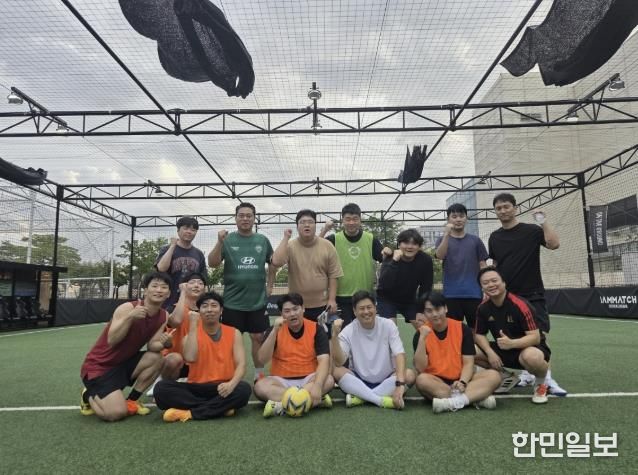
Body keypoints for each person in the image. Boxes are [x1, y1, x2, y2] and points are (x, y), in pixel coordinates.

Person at [488, 193, 566, 396]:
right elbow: (495, 265)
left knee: (539, 336)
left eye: (506, 206)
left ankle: (546, 379)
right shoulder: (494, 237)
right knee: (516, 335)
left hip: (532, 293)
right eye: (499, 208)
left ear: (515, 208)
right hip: (507, 297)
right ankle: (526, 374)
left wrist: (543, 222)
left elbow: (554, 244)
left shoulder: (532, 231)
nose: (503, 211)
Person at [207, 202, 287, 380]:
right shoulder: (227, 240)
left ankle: (258, 375)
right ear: (235, 218)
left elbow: (274, 263)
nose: (245, 218)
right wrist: (219, 242)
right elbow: (212, 263)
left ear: (254, 218)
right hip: (232, 303)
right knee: (230, 340)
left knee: (258, 337)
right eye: (241, 215)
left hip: (257, 302)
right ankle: (227, 375)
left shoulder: (262, 240)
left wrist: (270, 285)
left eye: (249, 216)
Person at [79, 272, 173, 421]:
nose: (159, 290)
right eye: (154, 286)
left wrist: (165, 342)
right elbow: (112, 340)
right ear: (145, 290)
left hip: (123, 364)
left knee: (157, 358)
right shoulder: (128, 308)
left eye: (163, 287)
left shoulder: (164, 315)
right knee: (115, 413)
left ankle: (132, 400)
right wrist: (130, 317)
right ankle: (88, 394)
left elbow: (152, 346)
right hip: (99, 367)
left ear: (168, 294)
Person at [154, 292, 251, 422]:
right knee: (161, 389)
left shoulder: (234, 332)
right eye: (205, 306)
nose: (209, 309)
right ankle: (220, 407)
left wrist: (231, 384)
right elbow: (190, 358)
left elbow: (241, 364)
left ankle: (190, 413)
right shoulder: (189, 336)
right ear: (199, 311)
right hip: (196, 387)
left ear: (221, 310)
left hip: (223, 386)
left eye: (214, 305)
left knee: (243, 390)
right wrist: (193, 325)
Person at [474, 267, 553, 404]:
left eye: (494, 280)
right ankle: (506, 377)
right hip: (504, 349)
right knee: (469, 350)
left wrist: (512, 343)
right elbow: (479, 335)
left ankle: (541, 384)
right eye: (485, 283)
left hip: (529, 349)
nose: (491, 285)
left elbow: (535, 337)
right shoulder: (483, 308)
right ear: (482, 287)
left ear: (504, 282)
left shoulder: (520, 304)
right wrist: (490, 353)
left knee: (532, 357)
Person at [413, 291, 500, 413]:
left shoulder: (462, 328)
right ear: (424, 313)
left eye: (438, 309)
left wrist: (463, 382)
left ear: (446, 308)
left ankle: (454, 401)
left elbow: (468, 363)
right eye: (429, 311)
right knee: (421, 380)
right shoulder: (421, 334)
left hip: (462, 380)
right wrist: (422, 338)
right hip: (437, 381)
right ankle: (473, 398)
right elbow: (420, 368)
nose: (435, 314)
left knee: (494, 376)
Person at [331, 290, 416, 409]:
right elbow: (339, 362)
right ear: (354, 311)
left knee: (409, 375)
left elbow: (400, 354)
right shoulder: (348, 330)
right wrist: (334, 336)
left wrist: (400, 384)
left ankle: (361, 397)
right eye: (361, 308)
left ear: (375, 308)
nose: (366, 312)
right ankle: (379, 400)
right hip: (359, 380)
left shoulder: (388, 325)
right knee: (336, 371)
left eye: (369, 307)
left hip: (387, 378)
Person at [254, 293, 334, 417]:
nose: (292, 314)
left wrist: (318, 385)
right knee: (259, 387)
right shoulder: (274, 330)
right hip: (281, 380)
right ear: (281, 314)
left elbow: (324, 360)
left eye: (295, 309)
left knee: (328, 380)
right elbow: (262, 359)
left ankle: (281, 405)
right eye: (287, 311)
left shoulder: (316, 328)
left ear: (303, 309)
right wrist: (274, 331)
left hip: (309, 378)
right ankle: (310, 401)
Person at [319, 203, 384, 326]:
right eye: (347, 219)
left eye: (355, 219)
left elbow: (384, 259)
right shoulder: (334, 239)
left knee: (365, 331)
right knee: (342, 332)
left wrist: (389, 252)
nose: (351, 222)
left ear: (360, 220)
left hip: (365, 296)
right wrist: (325, 229)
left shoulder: (370, 239)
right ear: (342, 220)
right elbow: (315, 247)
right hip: (340, 297)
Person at [278, 209, 343, 320]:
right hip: (296, 306)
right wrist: (285, 238)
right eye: (302, 222)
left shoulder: (327, 246)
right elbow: (277, 262)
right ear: (297, 226)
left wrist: (332, 300)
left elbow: (333, 275)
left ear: (315, 225)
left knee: (324, 331)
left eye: (310, 222)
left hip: (322, 305)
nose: (307, 225)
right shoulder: (290, 246)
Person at [434, 203, 488, 328]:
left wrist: (486, 288)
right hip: (450, 295)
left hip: (474, 293)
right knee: (453, 330)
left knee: (476, 330)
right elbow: (440, 256)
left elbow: (483, 265)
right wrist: (446, 235)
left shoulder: (475, 240)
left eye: (461, 216)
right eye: (454, 216)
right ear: (448, 219)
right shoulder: (442, 240)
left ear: (466, 219)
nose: (458, 219)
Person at [377, 229, 433, 329]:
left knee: (425, 328)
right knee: (390, 330)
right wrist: (394, 261)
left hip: (409, 300)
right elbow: (384, 285)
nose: (410, 247)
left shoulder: (425, 260)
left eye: (414, 244)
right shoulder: (390, 257)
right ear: (399, 244)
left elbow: (426, 287)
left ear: (419, 247)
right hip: (386, 299)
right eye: (406, 243)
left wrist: (421, 310)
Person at [155, 216, 206, 310]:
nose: (189, 232)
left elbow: (203, 280)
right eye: (186, 228)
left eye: (193, 230)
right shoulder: (166, 249)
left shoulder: (198, 253)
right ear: (178, 230)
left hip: (191, 303)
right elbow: (161, 268)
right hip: (168, 301)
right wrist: (172, 246)